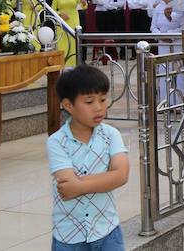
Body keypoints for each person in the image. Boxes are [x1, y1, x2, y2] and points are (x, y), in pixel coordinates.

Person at [47, 64, 129, 250]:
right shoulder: (57, 142)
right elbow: (67, 186)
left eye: (103, 99)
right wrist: (106, 178)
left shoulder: (111, 135)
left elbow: (121, 175)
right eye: (89, 102)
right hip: (69, 236)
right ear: (68, 105)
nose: (99, 108)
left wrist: (81, 185)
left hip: (107, 230)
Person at [150, 0, 184, 105]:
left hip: (177, 43)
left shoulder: (180, 5)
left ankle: (180, 102)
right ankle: (165, 102)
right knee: (163, 72)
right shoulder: (159, 7)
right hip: (163, 44)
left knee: (179, 72)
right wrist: (160, 36)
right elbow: (153, 27)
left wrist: (171, 35)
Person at [51, 0, 82, 67]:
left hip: (74, 21)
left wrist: (84, 3)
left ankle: (74, 65)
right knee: (62, 44)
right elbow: (52, 10)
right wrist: (60, 14)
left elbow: (84, 6)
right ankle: (63, 64)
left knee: (73, 42)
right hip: (62, 23)